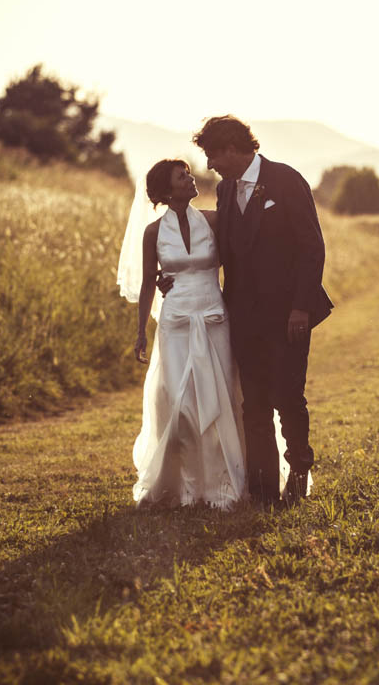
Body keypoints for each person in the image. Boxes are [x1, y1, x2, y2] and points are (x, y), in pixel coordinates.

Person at [194, 115, 333, 506]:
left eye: (212, 155)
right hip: (243, 316)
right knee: (252, 404)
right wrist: (176, 274)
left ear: (233, 148)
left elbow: (311, 247)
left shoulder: (286, 180)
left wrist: (301, 308)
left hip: (288, 315)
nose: (210, 165)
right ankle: (262, 489)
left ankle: (300, 472)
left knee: (289, 397)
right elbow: (225, 250)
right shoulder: (225, 190)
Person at [118, 159, 246, 509]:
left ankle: (221, 485)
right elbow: (148, 283)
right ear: (165, 190)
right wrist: (141, 331)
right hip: (174, 322)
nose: (191, 178)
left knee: (219, 399)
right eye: (182, 175)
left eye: (189, 173)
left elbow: (235, 261)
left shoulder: (213, 220)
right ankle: (187, 487)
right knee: (181, 402)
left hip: (213, 316)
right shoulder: (153, 233)